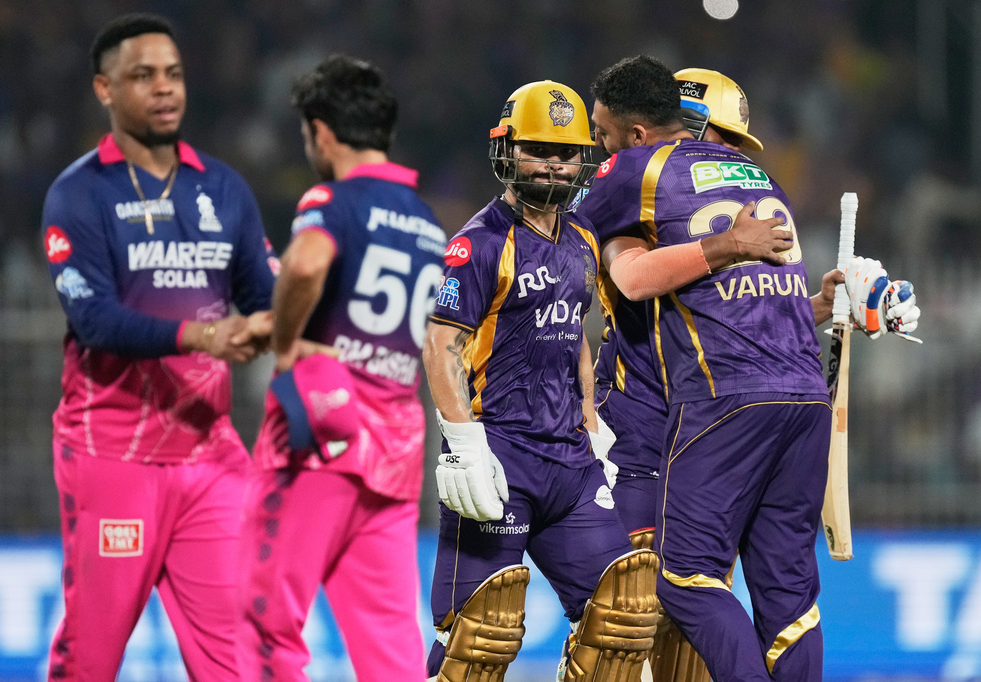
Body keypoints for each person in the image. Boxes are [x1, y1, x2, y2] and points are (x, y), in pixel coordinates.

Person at [579, 55, 919, 682]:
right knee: (788, 599)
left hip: (717, 402)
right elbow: (752, 300)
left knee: (682, 582)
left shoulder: (635, 169)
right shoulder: (760, 178)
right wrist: (824, 304)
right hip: (801, 397)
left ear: (634, 131)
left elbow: (615, 272)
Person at [40, 13, 278, 681]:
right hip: (112, 451)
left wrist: (281, 315)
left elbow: (262, 296)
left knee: (239, 656)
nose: (164, 88)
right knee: (92, 658)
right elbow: (93, 320)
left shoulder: (222, 188)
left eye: (172, 74)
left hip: (210, 452)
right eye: (143, 76)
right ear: (104, 90)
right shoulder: (78, 193)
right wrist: (201, 335)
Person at [423, 80, 659, 682]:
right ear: (507, 150)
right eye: (538, 150)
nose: (554, 164)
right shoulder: (476, 245)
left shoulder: (582, 238)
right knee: (476, 642)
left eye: (566, 152)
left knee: (623, 622)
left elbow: (570, 329)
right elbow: (440, 345)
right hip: (500, 461)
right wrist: (465, 444)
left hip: (572, 468)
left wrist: (591, 423)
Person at [235, 54, 447, 682]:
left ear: (322, 131)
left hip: (319, 439)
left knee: (262, 621)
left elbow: (304, 265)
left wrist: (287, 342)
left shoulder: (333, 198)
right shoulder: (428, 224)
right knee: (389, 644)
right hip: (395, 451)